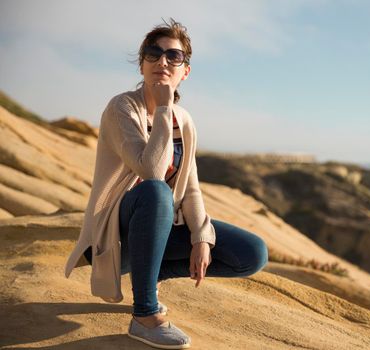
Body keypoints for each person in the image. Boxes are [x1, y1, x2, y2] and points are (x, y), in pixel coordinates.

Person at [64, 18, 268, 349]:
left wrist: (202, 236)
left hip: (157, 230)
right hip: (114, 239)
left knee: (251, 253)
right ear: (142, 63)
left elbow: (190, 186)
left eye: (173, 56)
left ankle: (153, 274)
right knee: (156, 192)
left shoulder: (184, 120)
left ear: (184, 70)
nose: (162, 61)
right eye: (153, 53)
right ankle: (144, 316)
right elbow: (152, 172)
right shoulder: (122, 108)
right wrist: (162, 109)